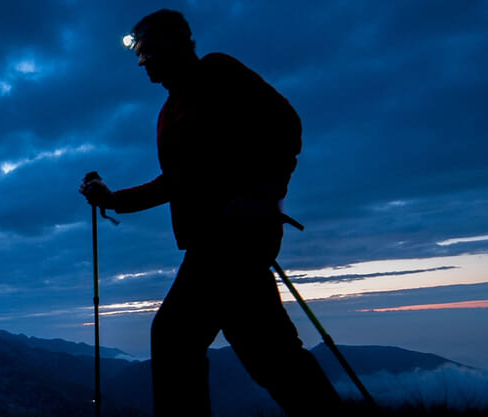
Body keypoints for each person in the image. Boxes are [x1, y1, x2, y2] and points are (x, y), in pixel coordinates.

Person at [79, 9, 343, 417]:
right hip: (215, 239)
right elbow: (177, 181)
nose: (141, 61)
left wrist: (266, 192)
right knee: (270, 354)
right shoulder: (170, 109)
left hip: (232, 239)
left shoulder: (216, 72)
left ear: (177, 43)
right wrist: (113, 200)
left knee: (175, 338)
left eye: (147, 50)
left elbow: (285, 123)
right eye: (138, 54)